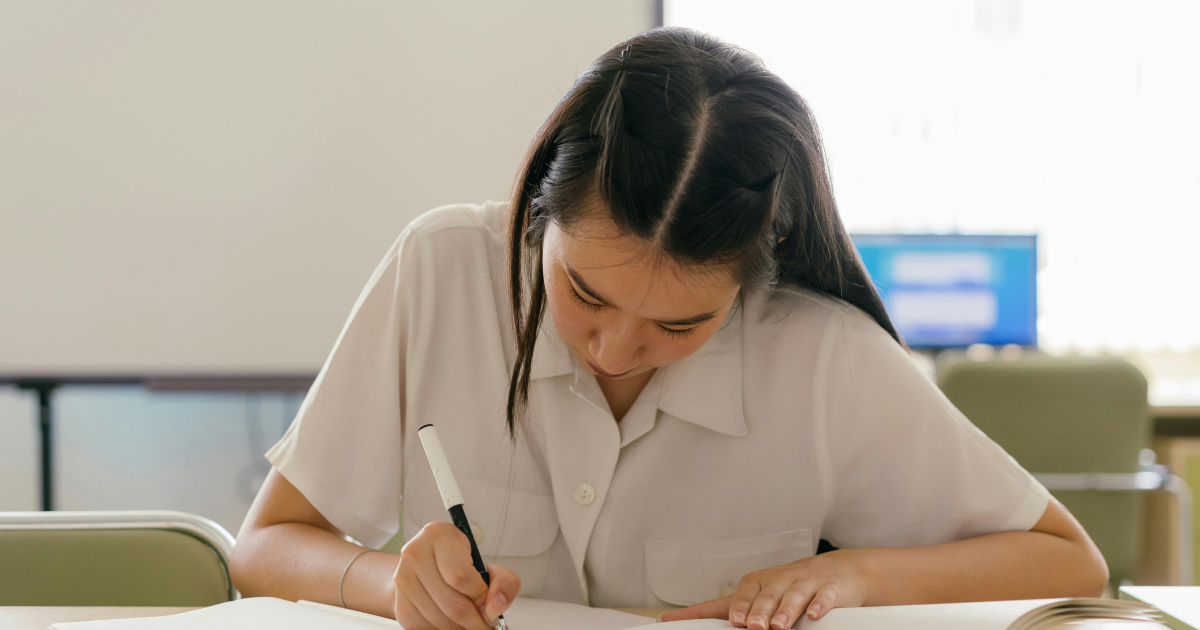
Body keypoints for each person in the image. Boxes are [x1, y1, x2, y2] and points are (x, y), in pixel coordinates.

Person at [229, 27, 1107, 630]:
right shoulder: (441, 270)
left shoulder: (821, 355)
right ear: (542, 206)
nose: (612, 351)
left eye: (679, 323)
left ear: (756, 270)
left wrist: (853, 576)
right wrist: (391, 584)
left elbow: (1068, 565)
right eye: (584, 292)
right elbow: (263, 546)